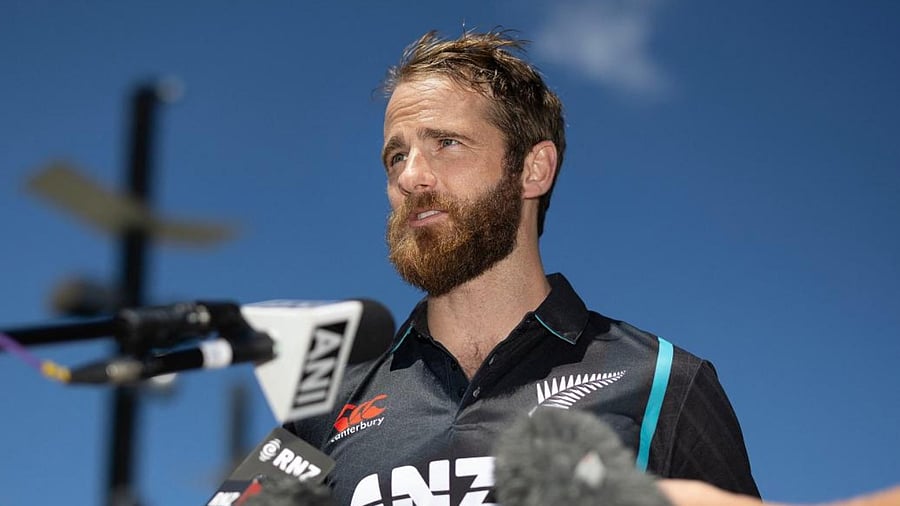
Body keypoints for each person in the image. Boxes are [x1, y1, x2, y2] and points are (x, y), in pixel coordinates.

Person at [287, 29, 759, 505]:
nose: (410, 176)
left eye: (447, 143)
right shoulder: (327, 400)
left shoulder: (664, 380)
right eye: (396, 156)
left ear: (533, 169)